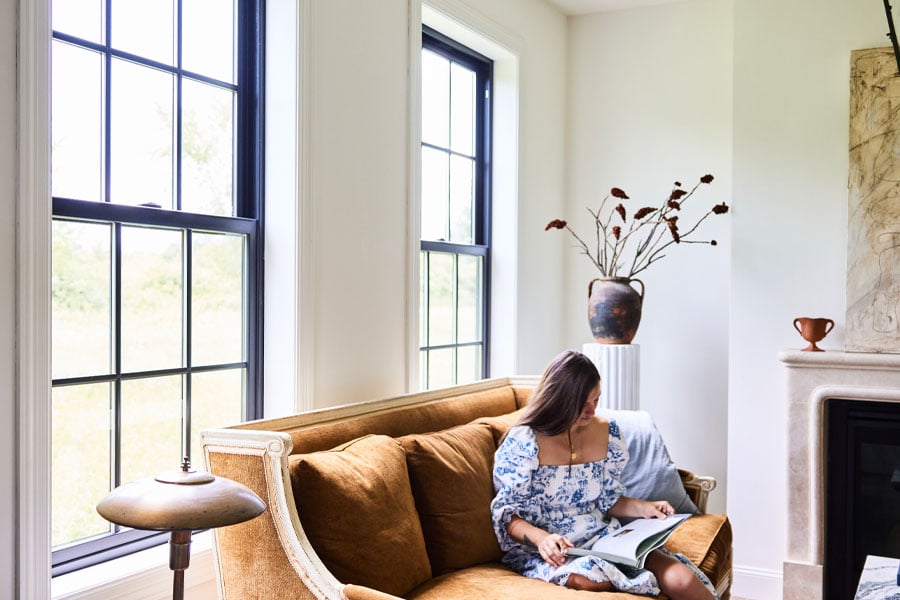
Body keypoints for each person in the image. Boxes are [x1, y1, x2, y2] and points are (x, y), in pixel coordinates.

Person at [490, 350, 717, 599]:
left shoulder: (607, 433)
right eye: (582, 404)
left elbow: (608, 501)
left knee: (681, 579)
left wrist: (646, 508)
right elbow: (508, 516)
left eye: (596, 400)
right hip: (553, 549)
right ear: (560, 399)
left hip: (606, 539)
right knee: (588, 582)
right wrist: (543, 539)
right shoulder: (524, 442)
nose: (591, 411)